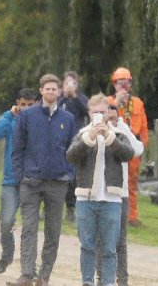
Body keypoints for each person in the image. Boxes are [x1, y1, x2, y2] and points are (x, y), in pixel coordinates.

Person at [7, 74, 79, 286]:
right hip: (31, 181)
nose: (51, 92)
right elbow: (17, 148)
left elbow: (72, 150)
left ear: (59, 92)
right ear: (41, 91)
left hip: (57, 182)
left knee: (53, 231)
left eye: (54, 89)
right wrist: (21, 175)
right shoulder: (27, 116)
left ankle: (44, 275)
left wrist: (69, 173)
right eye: (47, 89)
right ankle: (27, 274)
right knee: (29, 228)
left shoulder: (67, 118)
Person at [67, 94, 135, 286]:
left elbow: (128, 154)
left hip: (112, 199)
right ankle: (87, 281)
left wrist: (109, 137)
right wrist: (89, 138)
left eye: (102, 112)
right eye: (95, 112)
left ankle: (107, 282)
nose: (99, 115)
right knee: (87, 246)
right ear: (89, 113)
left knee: (109, 248)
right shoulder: (82, 134)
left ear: (108, 113)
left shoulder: (118, 134)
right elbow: (71, 156)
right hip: (85, 199)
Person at [0, 86, 39, 275]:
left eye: (30, 105)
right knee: (7, 222)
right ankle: (6, 255)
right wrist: (10, 115)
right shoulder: (11, 119)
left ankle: (29, 266)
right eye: (23, 104)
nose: (26, 108)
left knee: (30, 227)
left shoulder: (40, 120)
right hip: (11, 180)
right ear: (17, 104)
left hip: (32, 180)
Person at [102, 103, 144, 286]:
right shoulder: (94, 130)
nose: (110, 118)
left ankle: (122, 278)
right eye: (107, 115)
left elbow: (138, 149)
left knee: (120, 239)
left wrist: (122, 127)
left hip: (120, 192)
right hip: (99, 193)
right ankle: (103, 276)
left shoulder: (122, 131)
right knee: (100, 238)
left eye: (113, 115)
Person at [107, 67, 148, 227]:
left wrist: (141, 147)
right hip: (114, 146)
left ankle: (132, 217)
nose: (123, 87)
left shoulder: (137, 103)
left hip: (132, 146)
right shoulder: (109, 102)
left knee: (132, 182)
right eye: (120, 83)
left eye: (126, 83)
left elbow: (144, 127)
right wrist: (116, 103)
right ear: (114, 84)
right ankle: (114, 214)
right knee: (114, 180)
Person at [59, 70, 88, 223]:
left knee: (72, 177)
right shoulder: (59, 98)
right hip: (58, 141)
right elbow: (53, 109)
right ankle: (48, 207)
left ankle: (71, 208)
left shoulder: (81, 98)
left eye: (73, 83)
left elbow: (86, 111)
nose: (70, 86)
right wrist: (64, 95)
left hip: (75, 141)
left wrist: (74, 97)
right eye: (67, 83)